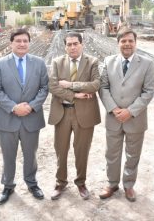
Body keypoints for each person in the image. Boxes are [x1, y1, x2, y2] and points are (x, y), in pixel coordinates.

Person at [0, 28, 49, 205]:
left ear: (29, 43)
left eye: (25, 41)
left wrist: (31, 106)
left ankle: (32, 184)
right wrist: (14, 107)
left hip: (31, 118)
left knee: (30, 155)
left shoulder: (39, 63)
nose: (22, 44)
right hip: (7, 119)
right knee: (8, 155)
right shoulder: (0, 64)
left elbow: (44, 88)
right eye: (18, 41)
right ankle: (8, 185)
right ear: (11, 43)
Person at [99, 28, 154, 202]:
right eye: (123, 41)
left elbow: (148, 91)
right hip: (113, 117)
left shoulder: (146, 63)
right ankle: (112, 183)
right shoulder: (108, 62)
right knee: (112, 153)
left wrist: (130, 111)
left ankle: (129, 185)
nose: (127, 44)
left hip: (135, 119)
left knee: (133, 154)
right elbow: (103, 87)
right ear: (118, 43)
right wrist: (114, 109)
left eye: (130, 41)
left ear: (135, 43)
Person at [48, 32, 101, 200]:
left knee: (82, 150)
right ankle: (60, 182)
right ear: (65, 46)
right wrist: (75, 95)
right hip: (62, 113)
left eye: (75, 43)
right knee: (61, 150)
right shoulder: (57, 62)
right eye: (69, 44)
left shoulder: (92, 62)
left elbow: (95, 85)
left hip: (84, 114)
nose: (72, 47)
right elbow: (53, 87)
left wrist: (71, 85)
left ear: (81, 44)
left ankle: (81, 182)